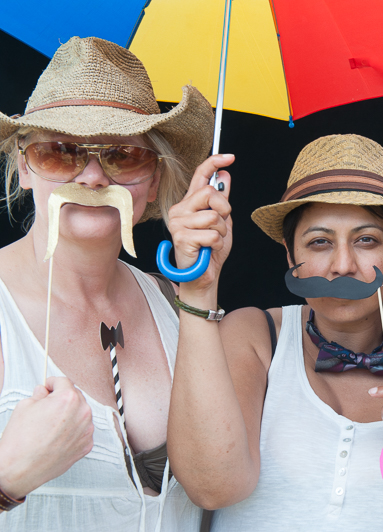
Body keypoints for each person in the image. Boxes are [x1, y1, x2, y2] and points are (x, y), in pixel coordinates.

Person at [165, 133, 383, 531]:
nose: (342, 265)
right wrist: (199, 288)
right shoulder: (254, 336)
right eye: (319, 242)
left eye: (367, 240)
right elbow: (212, 487)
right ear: (290, 255)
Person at [0, 37, 215, 530]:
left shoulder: (177, 305)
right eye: (61, 152)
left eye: (124, 156)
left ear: (155, 180)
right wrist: (5, 481)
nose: (94, 177)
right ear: (24, 168)